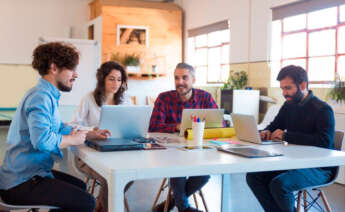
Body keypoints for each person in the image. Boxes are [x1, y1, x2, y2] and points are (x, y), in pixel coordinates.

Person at [0, 42, 110, 212]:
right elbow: (42, 141)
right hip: (20, 182)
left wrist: (89, 135)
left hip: (28, 175)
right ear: (54, 68)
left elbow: (58, 127)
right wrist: (72, 139)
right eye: (72, 69)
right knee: (87, 203)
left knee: (80, 186)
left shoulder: (45, 94)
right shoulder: (40, 97)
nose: (76, 75)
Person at [246, 65, 335, 212]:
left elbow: (324, 142)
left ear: (303, 85)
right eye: (282, 89)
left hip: (319, 167)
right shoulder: (289, 105)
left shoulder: (322, 109)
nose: (284, 93)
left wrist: (287, 136)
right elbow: (274, 126)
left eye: (288, 88)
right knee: (254, 177)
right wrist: (266, 132)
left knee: (280, 184)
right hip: (292, 162)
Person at [149, 63, 219, 212]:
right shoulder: (164, 98)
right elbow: (153, 126)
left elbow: (220, 124)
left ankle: (173, 202)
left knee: (205, 175)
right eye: (176, 78)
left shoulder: (205, 97)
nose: (180, 82)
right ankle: (184, 208)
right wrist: (175, 127)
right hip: (170, 152)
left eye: (184, 78)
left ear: (193, 79)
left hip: (197, 150)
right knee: (177, 169)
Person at [72, 61, 130, 212]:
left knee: (130, 174)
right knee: (109, 177)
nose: (116, 83)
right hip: (90, 154)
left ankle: (101, 206)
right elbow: (73, 125)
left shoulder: (125, 100)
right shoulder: (89, 98)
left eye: (119, 79)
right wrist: (93, 130)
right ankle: (106, 207)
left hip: (117, 152)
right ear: (102, 79)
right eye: (111, 78)